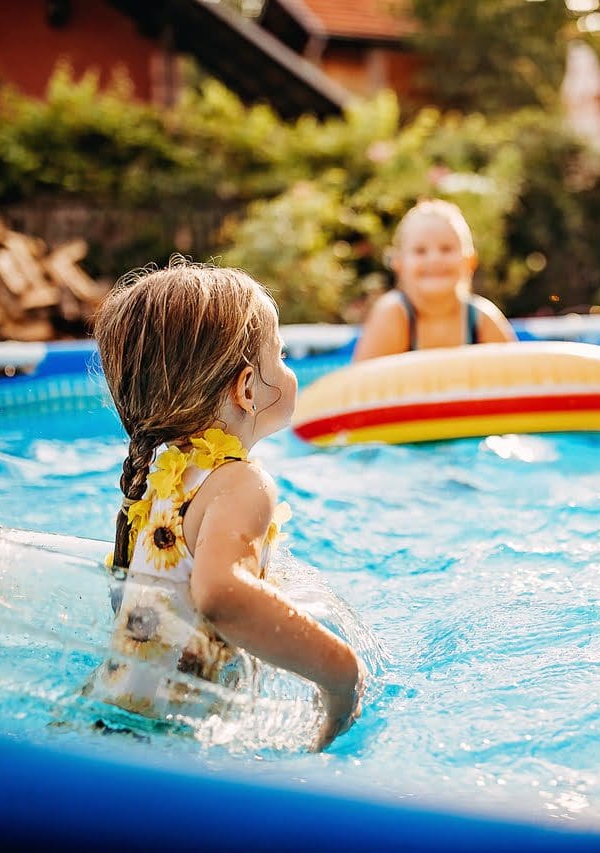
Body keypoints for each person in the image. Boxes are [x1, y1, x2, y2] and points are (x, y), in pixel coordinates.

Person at [88, 260, 364, 749]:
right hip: (174, 744)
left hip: (109, 718)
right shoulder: (240, 483)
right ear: (247, 389)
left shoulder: (161, 477)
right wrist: (339, 670)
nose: (288, 369)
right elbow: (219, 594)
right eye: (280, 356)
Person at [352, 199, 517, 361]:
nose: (434, 259)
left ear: (469, 261)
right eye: (420, 251)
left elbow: (518, 380)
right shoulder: (393, 315)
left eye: (446, 249)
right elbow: (359, 384)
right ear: (399, 264)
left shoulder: (481, 320)